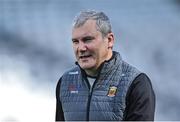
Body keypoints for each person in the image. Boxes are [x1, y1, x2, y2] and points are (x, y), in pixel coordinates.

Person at [55, 10, 155, 121]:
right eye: (75, 42)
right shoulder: (65, 82)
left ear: (109, 40)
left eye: (87, 40)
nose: (81, 48)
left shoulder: (136, 83)